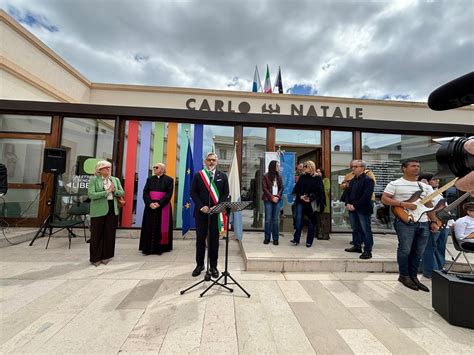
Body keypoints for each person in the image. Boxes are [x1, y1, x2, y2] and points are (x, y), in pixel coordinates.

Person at [381, 159, 438, 292]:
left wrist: (434, 221)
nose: (416, 168)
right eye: (413, 166)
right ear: (404, 168)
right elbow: (385, 199)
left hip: (423, 221)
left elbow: (430, 207)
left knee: (418, 251)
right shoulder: (395, 184)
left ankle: (414, 276)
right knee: (405, 249)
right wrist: (403, 204)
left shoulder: (425, 187)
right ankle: (404, 275)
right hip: (405, 220)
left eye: (418, 166)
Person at [190, 152, 229, 278]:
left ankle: (213, 266)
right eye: (209, 160)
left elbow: (225, 194)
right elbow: (193, 193)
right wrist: (202, 206)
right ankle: (200, 265)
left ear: (216, 162)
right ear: (204, 161)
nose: (211, 162)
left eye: (213, 160)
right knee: (200, 240)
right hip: (201, 213)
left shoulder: (222, 176)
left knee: (214, 241)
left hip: (215, 214)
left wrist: (217, 207)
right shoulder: (198, 175)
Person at [87, 160, 124, 266]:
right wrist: (106, 192)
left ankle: (106, 256)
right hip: (98, 209)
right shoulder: (94, 179)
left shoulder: (115, 180)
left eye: (109, 167)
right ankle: (95, 258)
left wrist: (114, 191)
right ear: (100, 170)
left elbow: (122, 192)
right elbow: (91, 195)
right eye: (106, 167)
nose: (108, 169)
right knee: (96, 234)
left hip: (112, 208)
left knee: (109, 233)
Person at [341, 160, 375, 259]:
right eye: (352, 166)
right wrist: (347, 203)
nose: (353, 168)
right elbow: (347, 193)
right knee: (355, 228)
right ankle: (357, 246)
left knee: (365, 230)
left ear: (363, 168)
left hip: (363, 209)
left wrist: (355, 205)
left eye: (356, 166)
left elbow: (366, 196)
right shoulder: (352, 180)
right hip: (352, 208)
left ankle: (368, 251)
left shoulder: (368, 180)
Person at [139, 163, 174, 255]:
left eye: (156, 167)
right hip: (150, 207)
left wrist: (159, 203)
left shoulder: (169, 180)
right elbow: (145, 192)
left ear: (162, 169)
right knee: (148, 226)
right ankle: (147, 248)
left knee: (161, 227)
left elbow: (168, 194)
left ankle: (161, 248)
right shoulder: (149, 179)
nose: (154, 168)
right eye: (154, 167)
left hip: (163, 206)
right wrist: (149, 203)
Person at [418, 173, 448, 278]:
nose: (437, 181)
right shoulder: (424, 192)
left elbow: (444, 208)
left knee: (440, 248)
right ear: (426, 181)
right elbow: (427, 208)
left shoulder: (438, 192)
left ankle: (439, 270)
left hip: (443, 223)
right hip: (432, 222)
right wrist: (432, 222)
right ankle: (431, 272)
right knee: (430, 248)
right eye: (434, 179)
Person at [290, 161, 325, 247]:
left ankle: (309, 241)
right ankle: (296, 239)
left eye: (306, 166)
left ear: (311, 167)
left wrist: (310, 198)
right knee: (298, 220)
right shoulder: (302, 177)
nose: (305, 168)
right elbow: (297, 189)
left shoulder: (317, 178)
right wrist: (301, 196)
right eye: (304, 166)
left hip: (311, 202)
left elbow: (319, 192)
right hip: (300, 200)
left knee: (311, 222)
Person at [262, 160, 283, 245]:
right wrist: (272, 197)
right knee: (268, 219)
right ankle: (267, 238)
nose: (278, 167)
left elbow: (281, 187)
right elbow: (264, 188)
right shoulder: (265, 176)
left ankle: (275, 238)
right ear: (273, 166)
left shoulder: (279, 177)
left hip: (277, 200)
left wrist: (277, 196)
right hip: (268, 200)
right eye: (277, 166)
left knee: (275, 220)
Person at [316, 168, 330, 240]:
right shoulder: (315, 180)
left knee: (324, 218)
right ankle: (319, 234)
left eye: (319, 172)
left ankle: (326, 234)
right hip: (317, 201)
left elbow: (327, 190)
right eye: (317, 172)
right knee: (318, 219)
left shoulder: (326, 180)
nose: (318, 173)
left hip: (324, 201)